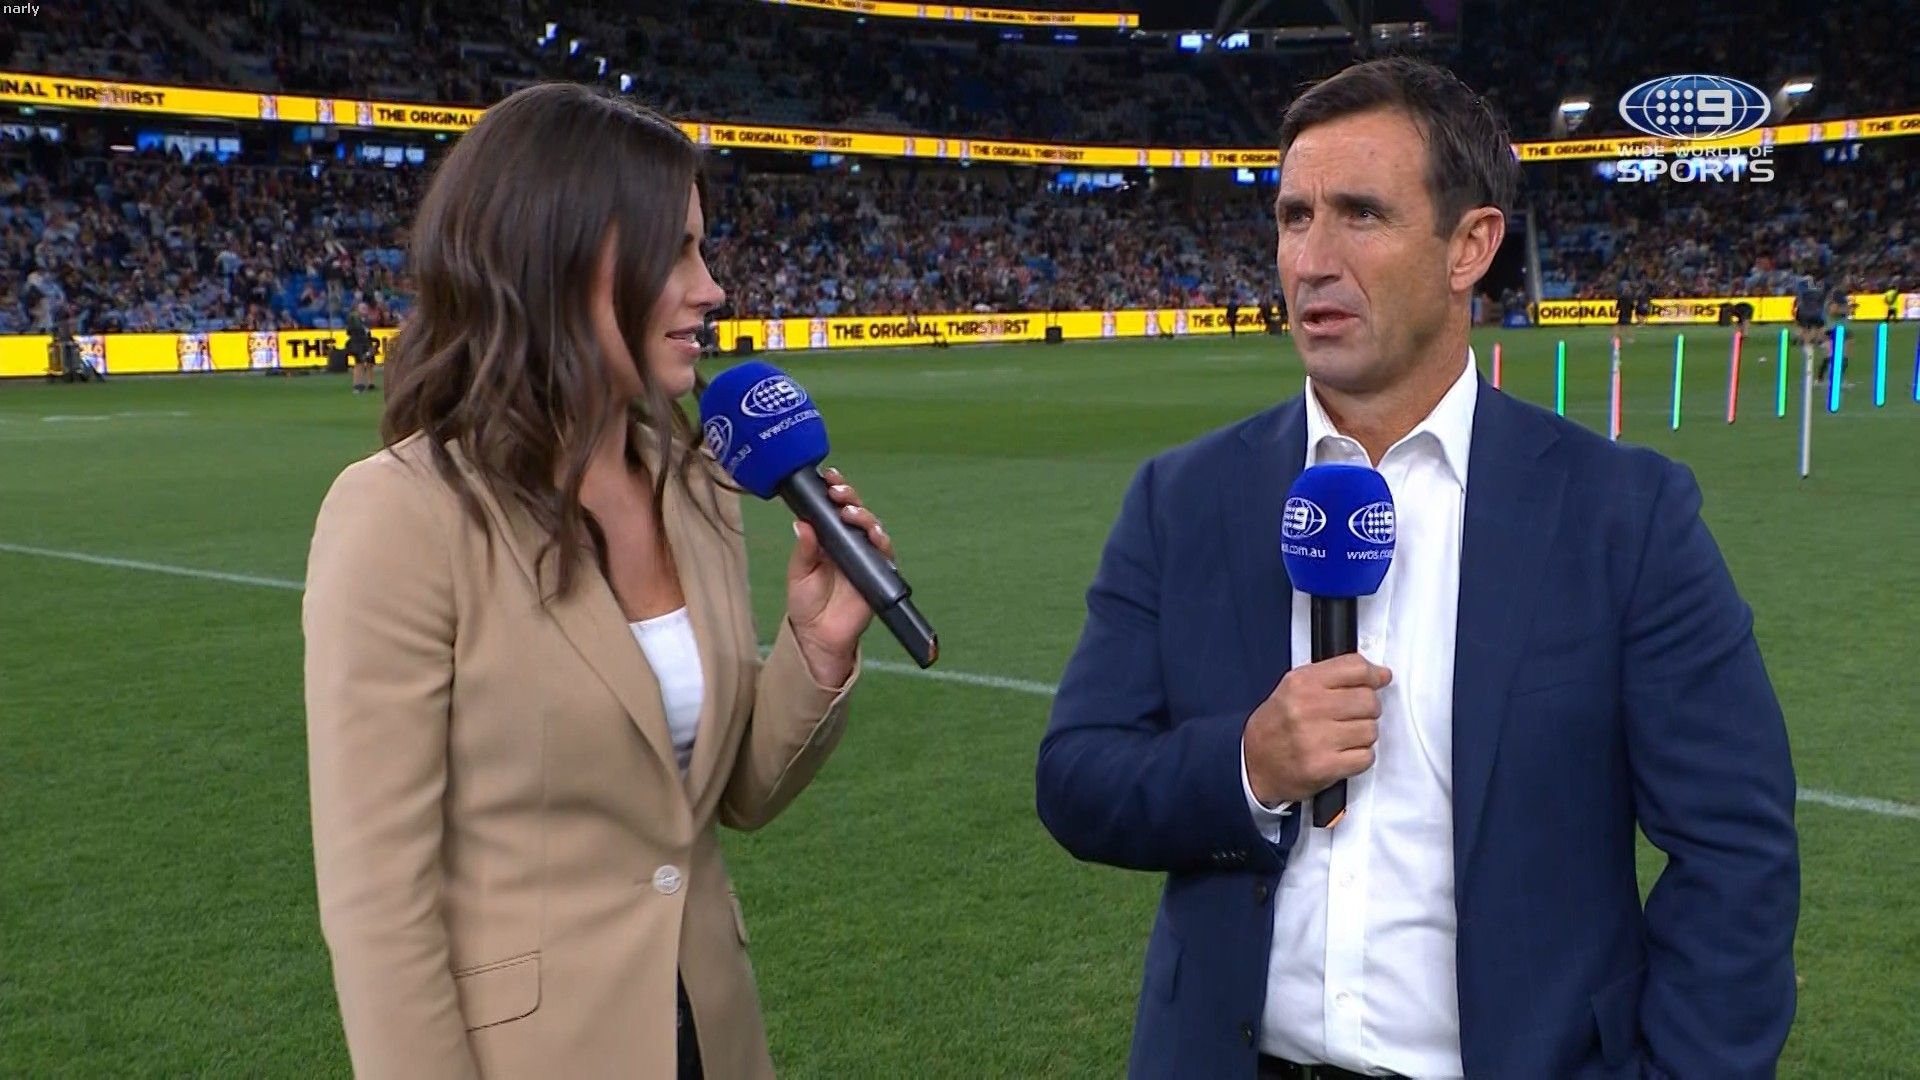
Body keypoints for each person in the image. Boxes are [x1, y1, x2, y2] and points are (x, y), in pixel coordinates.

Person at [1035, 56, 1798, 1080]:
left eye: (1361, 214)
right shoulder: (1182, 499)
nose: (1312, 259)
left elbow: (1736, 850)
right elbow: (1078, 778)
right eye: (1294, 217)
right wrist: (1250, 766)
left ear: (1469, 246)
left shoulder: (1624, 516)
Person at [303, 83, 892, 1079]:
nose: (711, 288)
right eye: (677, 251)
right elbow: (378, 907)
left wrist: (816, 650)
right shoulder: (400, 516)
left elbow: (726, 798)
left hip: (712, 1039)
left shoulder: (696, 486)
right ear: (560, 258)